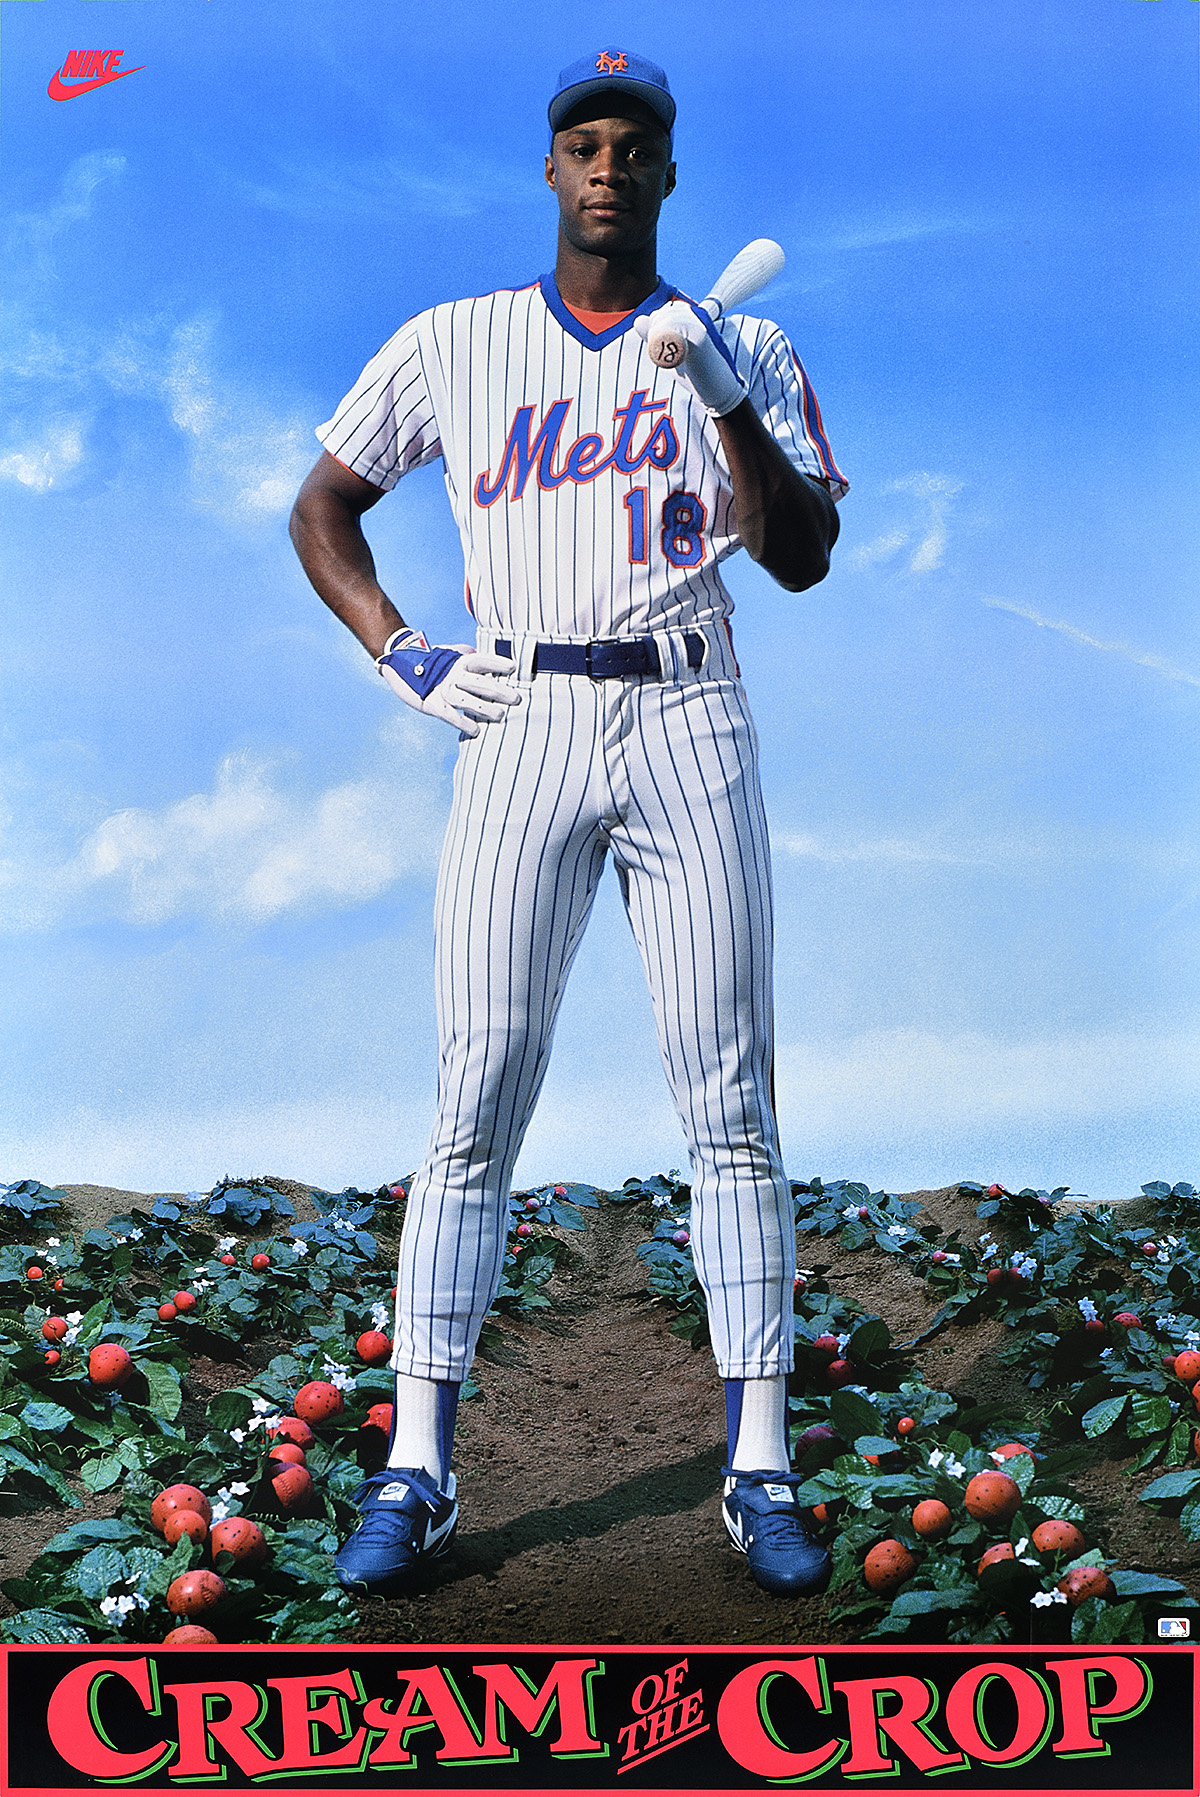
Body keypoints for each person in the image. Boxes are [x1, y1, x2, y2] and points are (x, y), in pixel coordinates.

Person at [289, 47, 847, 1600]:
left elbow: (802, 555)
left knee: (728, 1097)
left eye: (637, 145)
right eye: (585, 143)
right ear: (552, 169)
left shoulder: (748, 338)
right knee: (475, 1095)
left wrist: (726, 392)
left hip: (687, 706)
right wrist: (404, 649)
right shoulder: (456, 340)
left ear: (670, 174)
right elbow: (321, 505)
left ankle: (760, 1464)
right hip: (521, 713)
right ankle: (418, 1463)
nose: (609, 166)